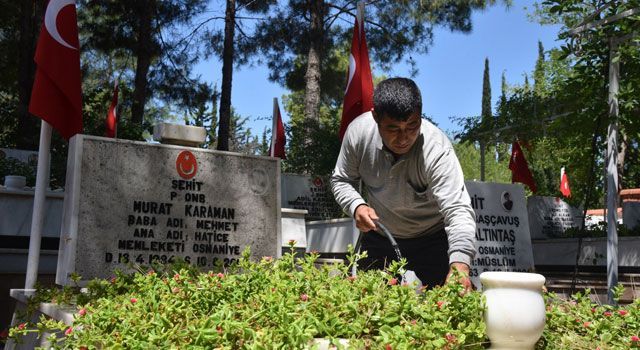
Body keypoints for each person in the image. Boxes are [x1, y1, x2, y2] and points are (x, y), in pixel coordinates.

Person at [330, 77, 476, 292]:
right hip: (381, 235)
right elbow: (341, 180)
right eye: (393, 128)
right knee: (368, 307)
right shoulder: (358, 134)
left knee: (453, 305)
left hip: (433, 239)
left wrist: (460, 266)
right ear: (375, 117)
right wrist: (356, 206)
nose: (404, 138)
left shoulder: (437, 148)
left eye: (412, 126)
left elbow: (458, 210)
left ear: (420, 116)